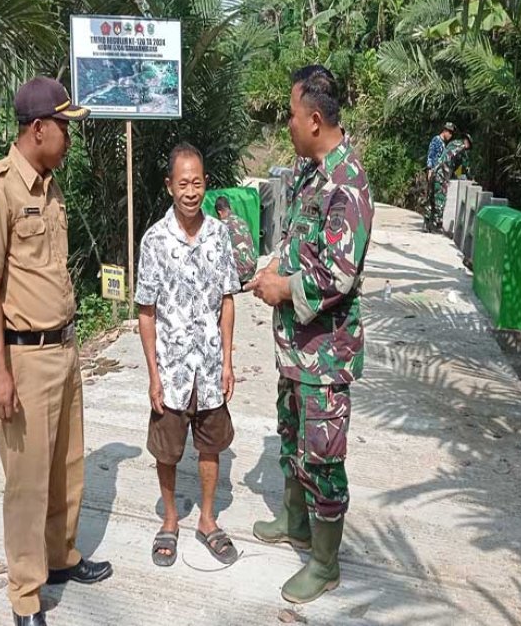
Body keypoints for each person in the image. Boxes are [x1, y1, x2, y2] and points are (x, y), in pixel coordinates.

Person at [0, 76, 112, 626]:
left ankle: (60, 558)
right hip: (24, 358)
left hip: (65, 348)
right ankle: (26, 595)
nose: (70, 139)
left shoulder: (49, 188)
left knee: (66, 467)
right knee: (26, 483)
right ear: (38, 129)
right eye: (64, 129)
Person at [244, 65, 373, 604]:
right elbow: (296, 240)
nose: (288, 125)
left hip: (326, 353)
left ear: (315, 119)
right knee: (292, 436)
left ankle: (324, 563)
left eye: (293, 116)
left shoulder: (348, 184)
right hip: (296, 348)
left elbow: (338, 276)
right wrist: (268, 268)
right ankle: (296, 523)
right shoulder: (306, 174)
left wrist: (281, 288)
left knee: (323, 454)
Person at [135, 143, 241, 569]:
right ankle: (172, 521)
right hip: (173, 368)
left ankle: (208, 519)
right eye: (183, 183)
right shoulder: (155, 241)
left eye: (197, 182)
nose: (191, 191)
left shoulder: (219, 234)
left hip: (211, 367)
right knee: (168, 449)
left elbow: (228, 301)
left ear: (205, 184)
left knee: (211, 445)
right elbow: (146, 312)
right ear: (169, 187)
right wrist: (153, 375)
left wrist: (229, 361)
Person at [425, 133, 473, 233]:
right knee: (440, 199)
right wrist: (469, 177)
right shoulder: (461, 147)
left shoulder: (452, 143)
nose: (467, 149)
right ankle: (437, 225)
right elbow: (463, 165)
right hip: (442, 174)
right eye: (468, 147)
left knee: (431, 198)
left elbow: (454, 162)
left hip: (436, 171)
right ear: (467, 142)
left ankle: (427, 223)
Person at [215, 195, 257, 285]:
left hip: (238, 274)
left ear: (219, 212)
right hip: (251, 270)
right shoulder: (241, 220)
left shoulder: (222, 225)